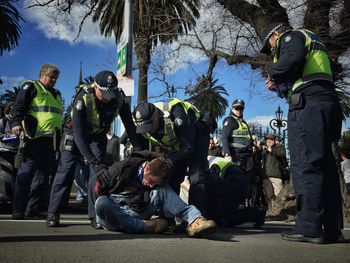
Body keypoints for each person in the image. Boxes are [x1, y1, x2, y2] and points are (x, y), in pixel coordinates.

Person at [260, 22, 344, 243]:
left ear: (275, 35)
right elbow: (298, 76)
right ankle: (332, 227)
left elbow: (293, 59)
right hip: (326, 102)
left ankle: (309, 228)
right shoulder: (312, 39)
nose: (270, 51)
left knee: (305, 164)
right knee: (326, 167)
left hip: (308, 109)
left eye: (269, 45)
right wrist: (278, 87)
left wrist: (271, 69)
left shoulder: (290, 38)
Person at [71, 70, 145, 229]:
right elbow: (79, 136)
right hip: (75, 134)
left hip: (97, 136)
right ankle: (53, 213)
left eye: (111, 93)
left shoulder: (119, 97)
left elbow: (130, 126)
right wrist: (94, 162)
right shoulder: (82, 98)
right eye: (105, 93)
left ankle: (94, 215)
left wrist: (140, 150)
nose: (108, 97)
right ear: (95, 87)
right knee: (66, 171)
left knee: (97, 174)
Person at [94, 150, 217, 237]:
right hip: (115, 215)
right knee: (101, 202)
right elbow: (97, 191)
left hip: (137, 210)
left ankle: (195, 220)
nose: (152, 186)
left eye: (154, 183)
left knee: (162, 189)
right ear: (146, 168)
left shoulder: (156, 176)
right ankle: (144, 227)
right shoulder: (121, 168)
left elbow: (164, 161)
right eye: (151, 181)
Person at [132, 99, 214, 215]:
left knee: (196, 177)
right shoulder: (143, 123)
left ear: (156, 117)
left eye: (149, 126)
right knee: (172, 175)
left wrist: (166, 160)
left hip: (197, 134)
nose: (148, 131)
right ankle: (168, 217)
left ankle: (195, 218)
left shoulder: (177, 116)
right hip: (177, 144)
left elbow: (187, 148)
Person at [11, 64, 63, 219]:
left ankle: (31, 210)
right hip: (33, 139)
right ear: (42, 75)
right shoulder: (31, 86)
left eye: (55, 78)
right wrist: (16, 123)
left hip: (50, 141)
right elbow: (18, 106)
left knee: (42, 178)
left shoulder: (56, 93)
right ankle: (18, 210)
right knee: (25, 175)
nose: (53, 80)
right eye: (51, 77)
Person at [221, 99, 253, 171]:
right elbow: (224, 137)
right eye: (237, 108)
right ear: (232, 109)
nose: (239, 110)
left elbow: (249, 138)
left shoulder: (243, 122)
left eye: (241, 108)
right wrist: (227, 154)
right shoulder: (229, 120)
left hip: (246, 157)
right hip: (235, 156)